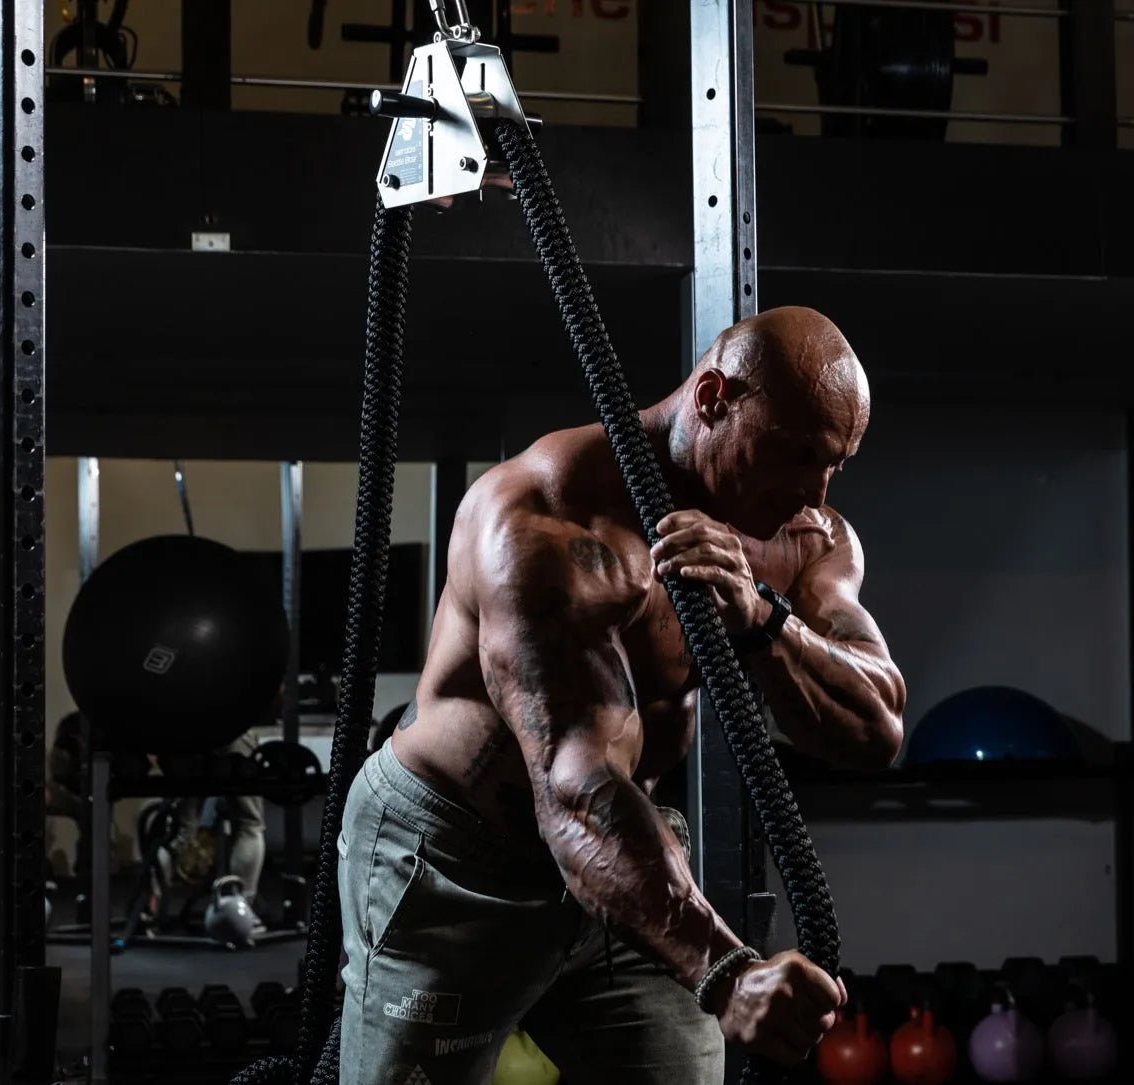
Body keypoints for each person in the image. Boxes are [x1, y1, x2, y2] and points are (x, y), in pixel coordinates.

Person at [338, 306, 908, 1084]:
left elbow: (876, 728)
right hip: (459, 857)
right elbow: (574, 790)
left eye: (836, 463)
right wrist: (729, 973)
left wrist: (763, 619)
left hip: (630, 855)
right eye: (797, 454)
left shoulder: (802, 537)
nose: (814, 491)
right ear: (712, 398)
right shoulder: (546, 519)